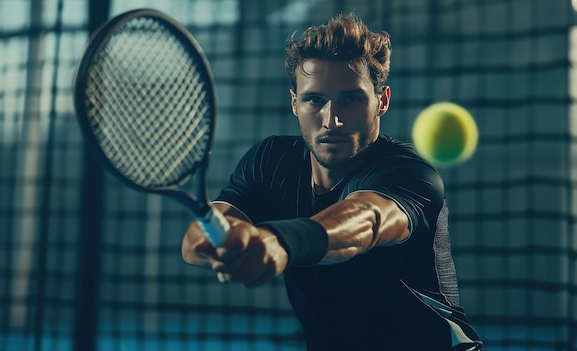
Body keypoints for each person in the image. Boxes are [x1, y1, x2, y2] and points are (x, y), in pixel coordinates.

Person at [181, 13, 483, 351]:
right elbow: (196, 242)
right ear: (295, 103)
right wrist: (227, 243)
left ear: (381, 101)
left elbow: (366, 218)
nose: (331, 119)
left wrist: (280, 241)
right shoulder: (269, 161)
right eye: (314, 99)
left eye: (350, 98)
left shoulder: (409, 174)